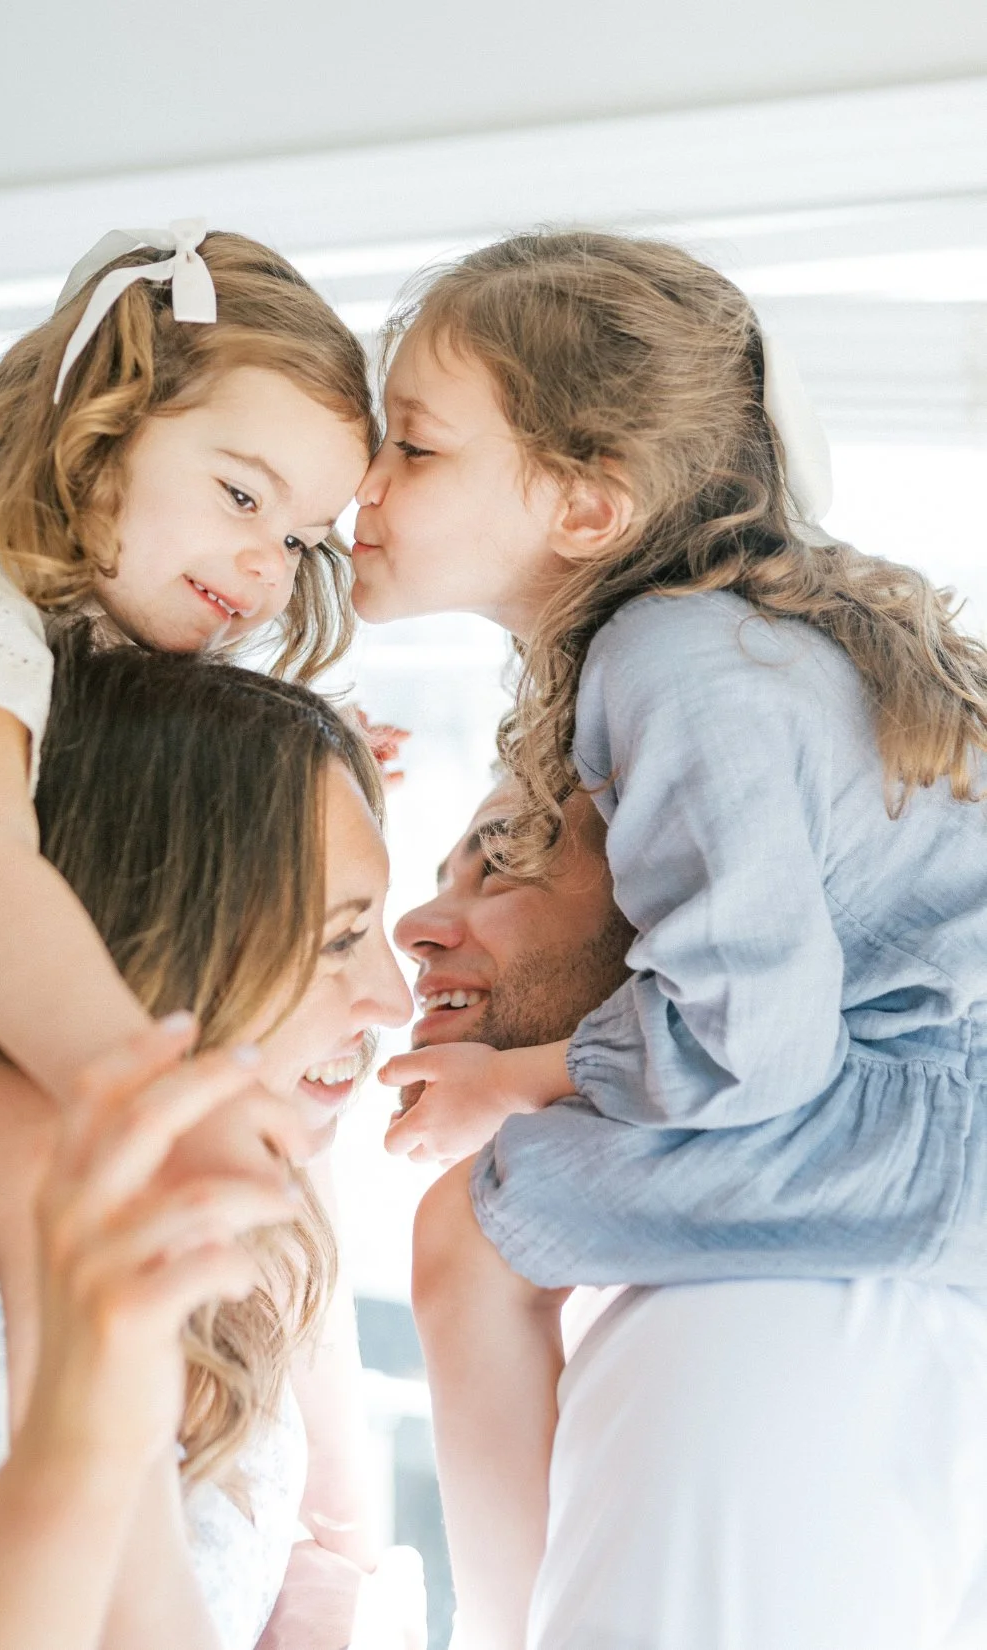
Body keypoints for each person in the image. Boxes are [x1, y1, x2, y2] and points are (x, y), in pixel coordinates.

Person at [348, 229, 987, 1648]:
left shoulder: (673, 661)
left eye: (415, 448)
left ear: (585, 501)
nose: (365, 488)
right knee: (471, 1233)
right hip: (913, 1109)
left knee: (475, 1217)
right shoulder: (700, 651)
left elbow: (748, 1038)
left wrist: (510, 1083)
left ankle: (510, 1619)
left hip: (918, 1122)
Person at [0, 626, 417, 1649]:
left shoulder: (232, 1272)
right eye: (341, 939)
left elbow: (321, 1542)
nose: (393, 998)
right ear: (165, 935)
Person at [0, 216, 372, 1127]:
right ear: (102, 420)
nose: (272, 564)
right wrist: (144, 1088)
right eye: (241, 496)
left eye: (300, 539)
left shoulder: (96, 636)